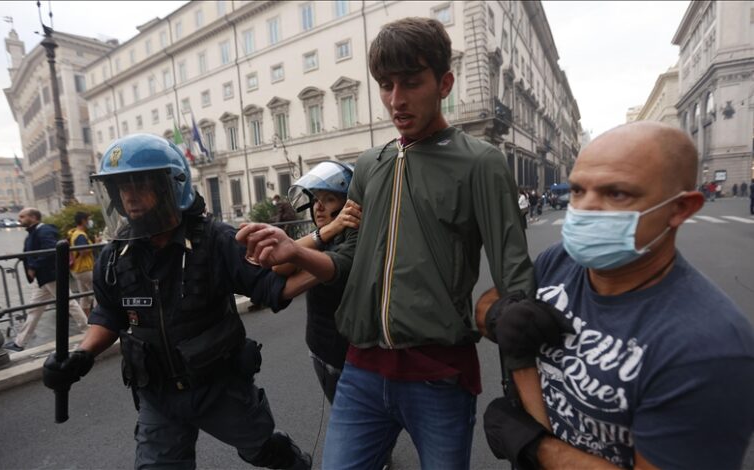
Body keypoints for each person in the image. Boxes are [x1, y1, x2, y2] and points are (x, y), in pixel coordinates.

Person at [237, 17, 534, 469]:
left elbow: (515, 283)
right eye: (385, 85)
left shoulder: (481, 163)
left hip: (439, 375)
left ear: (445, 82)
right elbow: (350, 261)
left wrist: (525, 396)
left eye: (411, 83)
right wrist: (295, 250)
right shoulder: (370, 166)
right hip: (361, 372)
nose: (396, 100)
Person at [481, 122, 754, 469]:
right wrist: (500, 314)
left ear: (680, 209)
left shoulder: (710, 347)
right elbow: (486, 304)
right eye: (578, 190)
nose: (585, 208)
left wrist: (537, 448)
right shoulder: (559, 260)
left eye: (617, 194)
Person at [41, 134, 311, 470]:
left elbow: (272, 287)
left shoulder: (215, 241)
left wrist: (334, 264)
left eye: (140, 185)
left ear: (171, 186)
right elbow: (109, 313)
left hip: (219, 387)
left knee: (264, 450)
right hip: (158, 396)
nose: (130, 197)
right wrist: (82, 355)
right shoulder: (114, 257)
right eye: (122, 188)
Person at [274, 161, 359, 403]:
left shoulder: (351, 244)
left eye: (329, 199)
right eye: (315, 199)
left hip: (351, 358)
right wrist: (328, 231)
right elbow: (280, 264)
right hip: (321, 349)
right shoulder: (324, 238)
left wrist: (331, 231)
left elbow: (285, 264)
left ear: (348, 205)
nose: (318, 207)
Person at [4, 208, 89, 352]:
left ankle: (88, 332)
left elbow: (50, 250)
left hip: (50, 275)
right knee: (35, 308)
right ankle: (20, 342)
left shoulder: (44, 231)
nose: (19, 219)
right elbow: (32, 252)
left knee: (69, 303)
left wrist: (33, 266)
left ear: (33, 217)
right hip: (44, 277)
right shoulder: (33, 232)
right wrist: (20, 256)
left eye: (22, 216)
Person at [68, 211, 95, 316]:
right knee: (98, 293)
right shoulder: (80, 235)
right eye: (89, 219)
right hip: (85, 269)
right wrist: (95, 244)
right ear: (83, 221)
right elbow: (82, 251)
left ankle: (87, 322)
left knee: (85, 297)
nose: (90, 222)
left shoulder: (74, 233)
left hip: (78, 269)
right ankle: (100, 322)